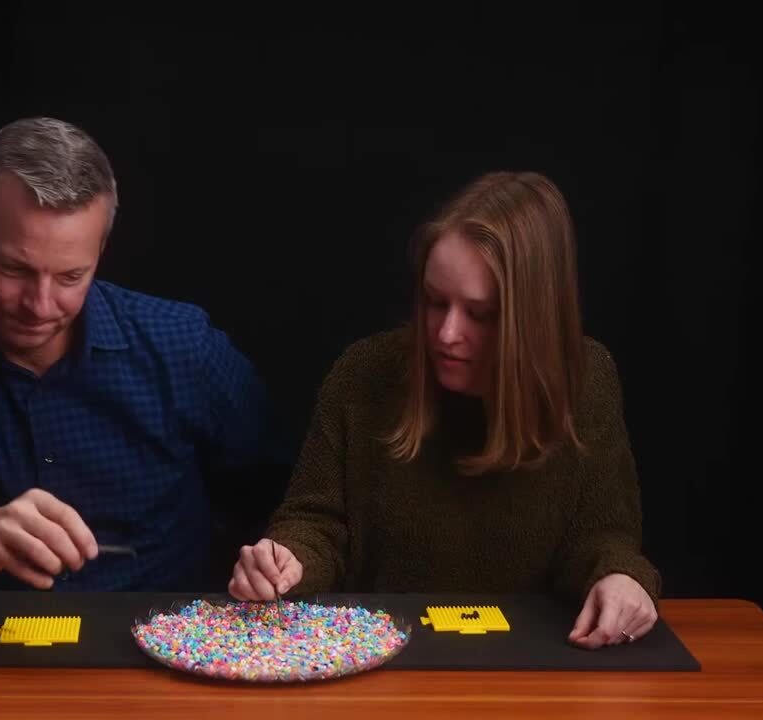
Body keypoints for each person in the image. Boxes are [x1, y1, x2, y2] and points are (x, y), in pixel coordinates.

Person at [0, 117, 285, 594]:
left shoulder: (184, 346)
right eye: (14, 269)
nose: (40, 306)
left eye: (71, 277)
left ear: (101, 250)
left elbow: (284, 497)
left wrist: (267, 560)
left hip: (160, 634)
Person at [229, 171, 661, 650]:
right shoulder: (364, 373)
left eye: (481, 314)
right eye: (436, 303)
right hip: (385, 655)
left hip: (535, 658)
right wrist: (286, 559)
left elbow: (603, 537)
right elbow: (317, 522)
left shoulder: (587, 378)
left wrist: (621, 577)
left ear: (534, 317)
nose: (447, 334)